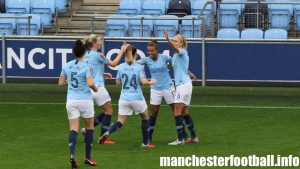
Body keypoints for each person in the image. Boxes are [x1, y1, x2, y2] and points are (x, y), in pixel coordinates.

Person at [136, 40, 197, 146]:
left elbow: (178, 64)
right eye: (148, 51)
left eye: (152, 51)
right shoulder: (146, 60)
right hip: (155, 89)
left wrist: (189, 72)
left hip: (168, 88)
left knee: (176, 111)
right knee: (154, 113)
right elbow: (135, 64)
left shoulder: (164, 57)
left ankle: (183, 135)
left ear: (157, 50)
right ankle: (149, 138)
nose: (149, 53)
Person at [98, 44, 156, 148]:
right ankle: (145, 143)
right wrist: (152, 82)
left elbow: (117, 83)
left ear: (125, 54)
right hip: (137, 97)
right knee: (145, 117)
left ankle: (107, 132)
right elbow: (143, 82)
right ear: (136, 55)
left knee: (121, 120)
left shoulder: (120, 67)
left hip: (124, 98)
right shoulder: (139, 67)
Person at [58, 40, 98, 169]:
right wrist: (96, 89)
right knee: (90, 128)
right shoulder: (87, 66)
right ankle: (87, 157)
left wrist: (70, 82)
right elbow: (90, 83)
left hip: (71, 100)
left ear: (74, 52)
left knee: (73, 129)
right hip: (85, 100)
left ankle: (72, 156)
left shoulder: (67, 65)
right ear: (84, 52)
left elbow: (61, 83)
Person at [81, 34, 123, 144]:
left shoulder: (86, 55)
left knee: (104, 111)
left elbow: (89, 70)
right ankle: (103, 138)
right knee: (109, 111)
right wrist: (122, 50)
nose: (101, 42)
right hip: (97, 88)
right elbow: (114, 64)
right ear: (94, 43)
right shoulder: (98, 55)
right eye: (99, 41)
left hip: (88, 88)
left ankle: (87, 130)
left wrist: (103, 74)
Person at [164, 31, 199, 145]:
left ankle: (180, 139)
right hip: (186, 84)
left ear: (182, 43)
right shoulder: (177, 55)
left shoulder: (181, 51)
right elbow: (181, 67)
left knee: (177, 112)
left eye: (176, 41)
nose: (174, 42)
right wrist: (189, 72)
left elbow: (175, 49)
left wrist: (168, 38)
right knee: (185, 112)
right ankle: (193, 137)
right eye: (173, 40)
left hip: (183, 85)